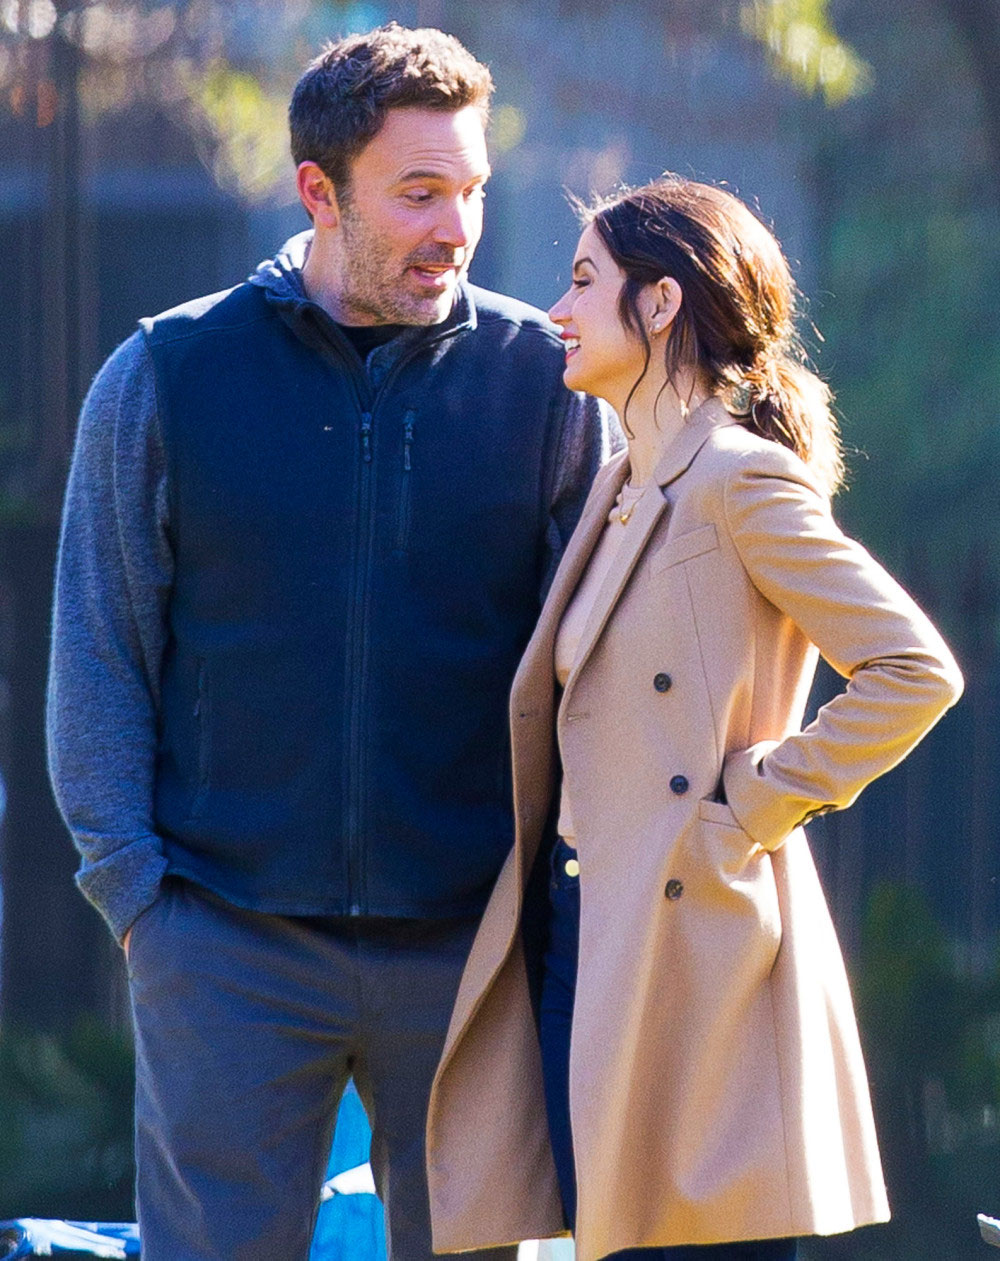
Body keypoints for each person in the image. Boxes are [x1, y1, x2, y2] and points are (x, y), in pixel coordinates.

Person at [46, 24, 616, 1261]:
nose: (455, 228)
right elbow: (99, 651)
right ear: (320, 190)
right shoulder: (165, 374)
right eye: (418, 193)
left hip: (468, 953)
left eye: (470, 189)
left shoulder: (549, 387)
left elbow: (604, 669)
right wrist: (143, 906)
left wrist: (552, 909)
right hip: (226, 946)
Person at [426, 176, 964, 1261]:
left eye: (585, 281)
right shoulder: (626, 481)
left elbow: (913, 666)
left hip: (694, 945)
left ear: (661, 302)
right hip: (589, 937)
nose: (559, 310)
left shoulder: (739, 480)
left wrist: (754, 802)